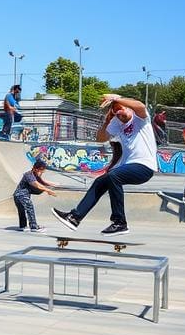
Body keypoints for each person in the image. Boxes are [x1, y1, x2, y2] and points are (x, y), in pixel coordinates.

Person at [52, 94, 158, 236]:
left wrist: (116, 99)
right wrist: (108, 120)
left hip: (144, 166)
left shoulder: (140, 118)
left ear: (129, 108)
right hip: (129, 166)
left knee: (114, 176)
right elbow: (100, 139)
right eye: (116, 113)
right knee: (100, 181)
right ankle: (75, 218)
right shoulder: (116, 122)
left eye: (121, 110)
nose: (119, 114)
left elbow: (140, 105)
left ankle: (120, 222)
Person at [13, 158, 57, 232]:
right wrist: (48, 190)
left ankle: (23, 226)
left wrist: (57, 185)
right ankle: (34, 227)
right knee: (29, 208)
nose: (41, 173)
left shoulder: (35, 175)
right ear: (36, 169)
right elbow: (37, 185)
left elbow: (44, 182)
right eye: (41, 171)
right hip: (21, 195)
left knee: (22, 210)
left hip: (17, 195)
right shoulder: (28, 175)